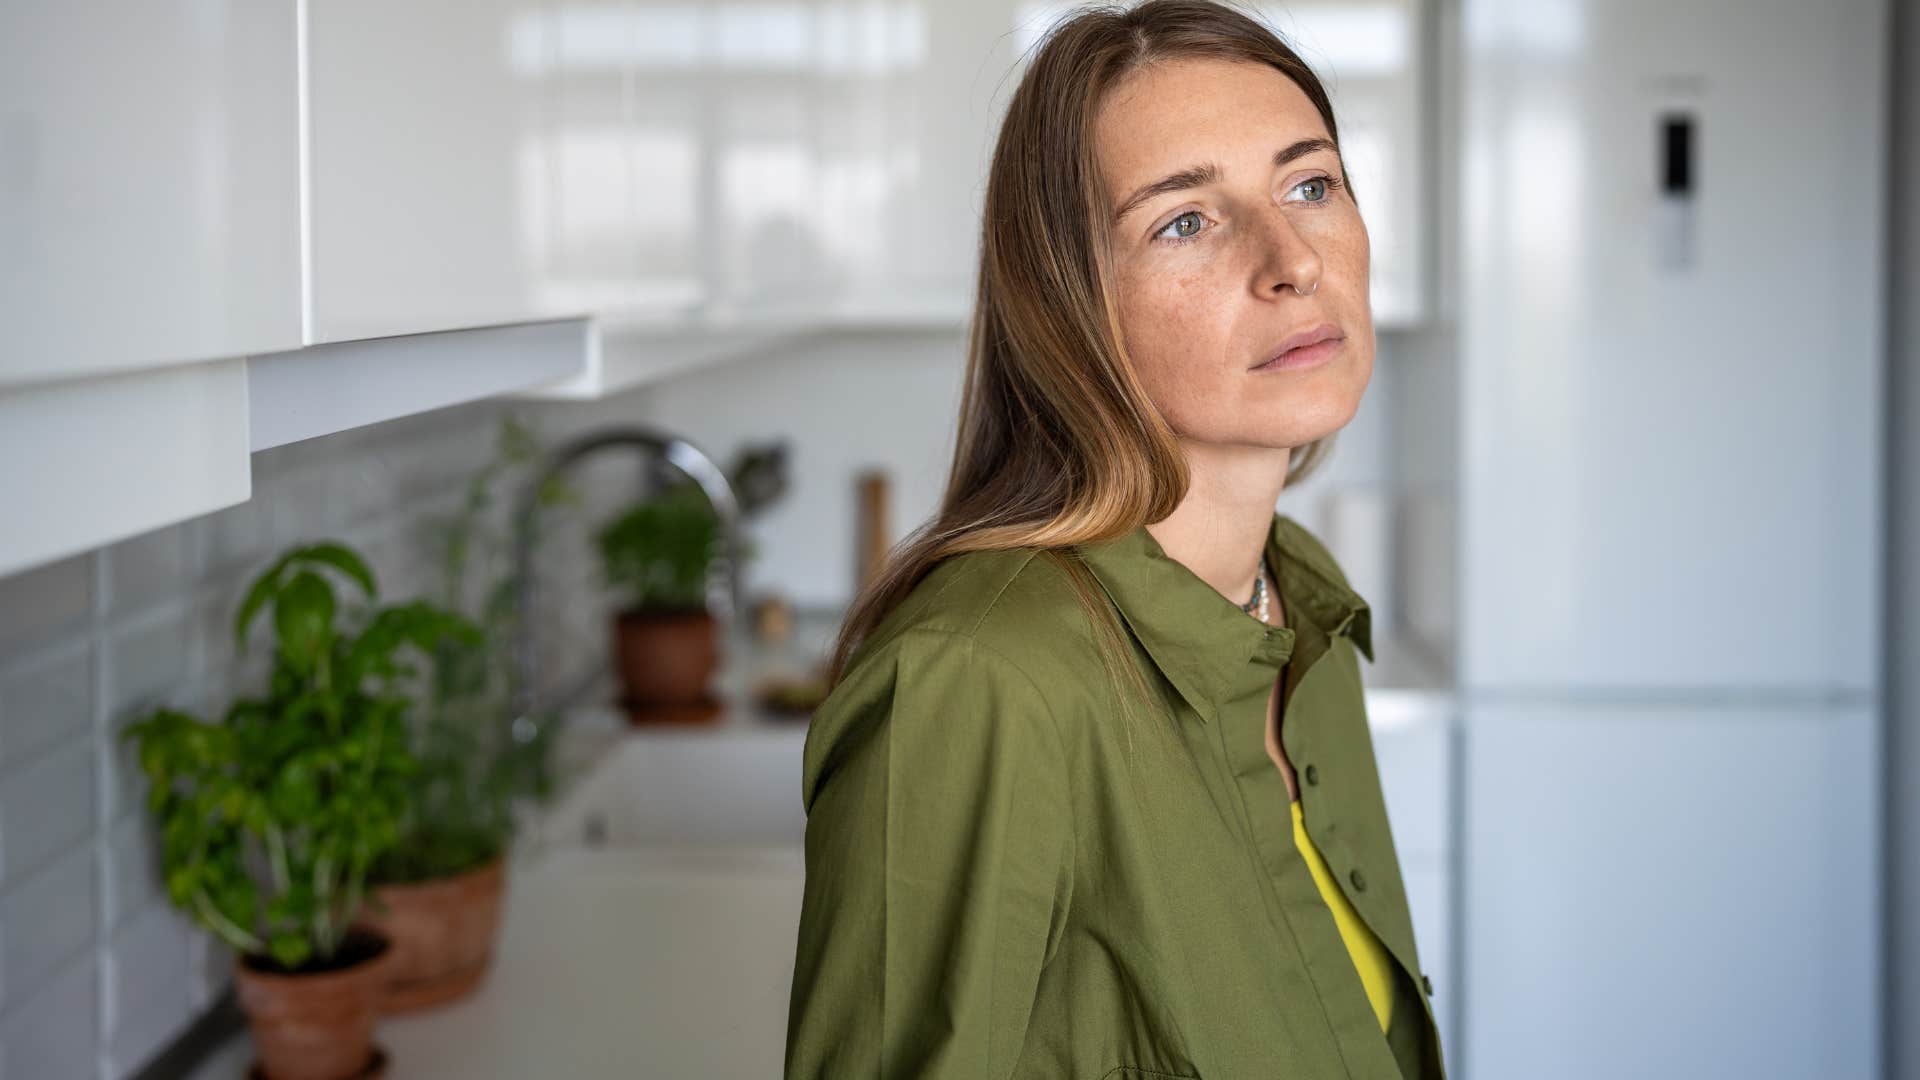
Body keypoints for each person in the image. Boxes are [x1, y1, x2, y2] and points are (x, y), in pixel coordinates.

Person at [784, 1, 1445, 1077]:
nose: (1292, 261)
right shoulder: (980, 681)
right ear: (1067, 307)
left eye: (1310, 184)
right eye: (1185, 220)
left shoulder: (1299, 597)